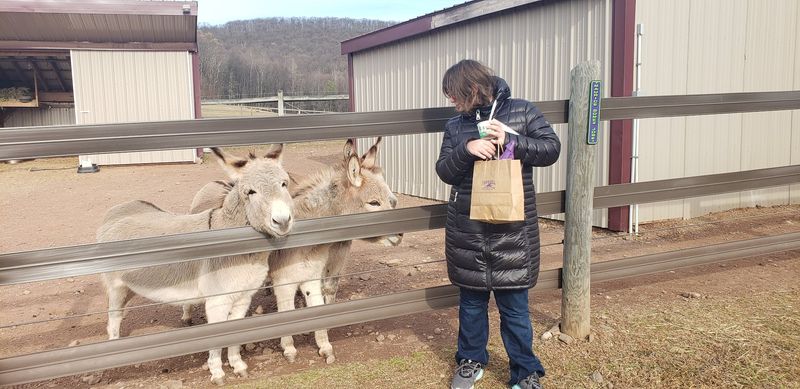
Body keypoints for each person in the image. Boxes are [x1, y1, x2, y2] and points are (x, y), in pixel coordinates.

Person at [436, 59, 561, 389]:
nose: (450, 100)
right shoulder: (455, 126)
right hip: (468, 230)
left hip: (513, 230)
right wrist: (467, 149)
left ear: (473, 89)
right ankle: (471, 361)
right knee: (472, 305)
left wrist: (512, 140)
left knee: (515, 308)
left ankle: (524, 371)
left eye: (454, 93)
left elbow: (551, 148)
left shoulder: (521, 111)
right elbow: (445, 171)